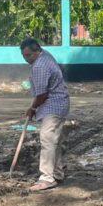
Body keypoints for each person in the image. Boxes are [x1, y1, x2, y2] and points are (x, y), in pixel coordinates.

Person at [20, 37, 70, 191]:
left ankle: (47, 178)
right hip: (59, 103)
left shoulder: (40, 66)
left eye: (28, 55)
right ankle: (57, 173)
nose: (26, 58)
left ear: (37, 52)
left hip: (53, 105)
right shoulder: (46, 55)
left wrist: (32, 109)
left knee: (47, 138)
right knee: (54, 140)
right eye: (24, 55)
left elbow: (42, 95)